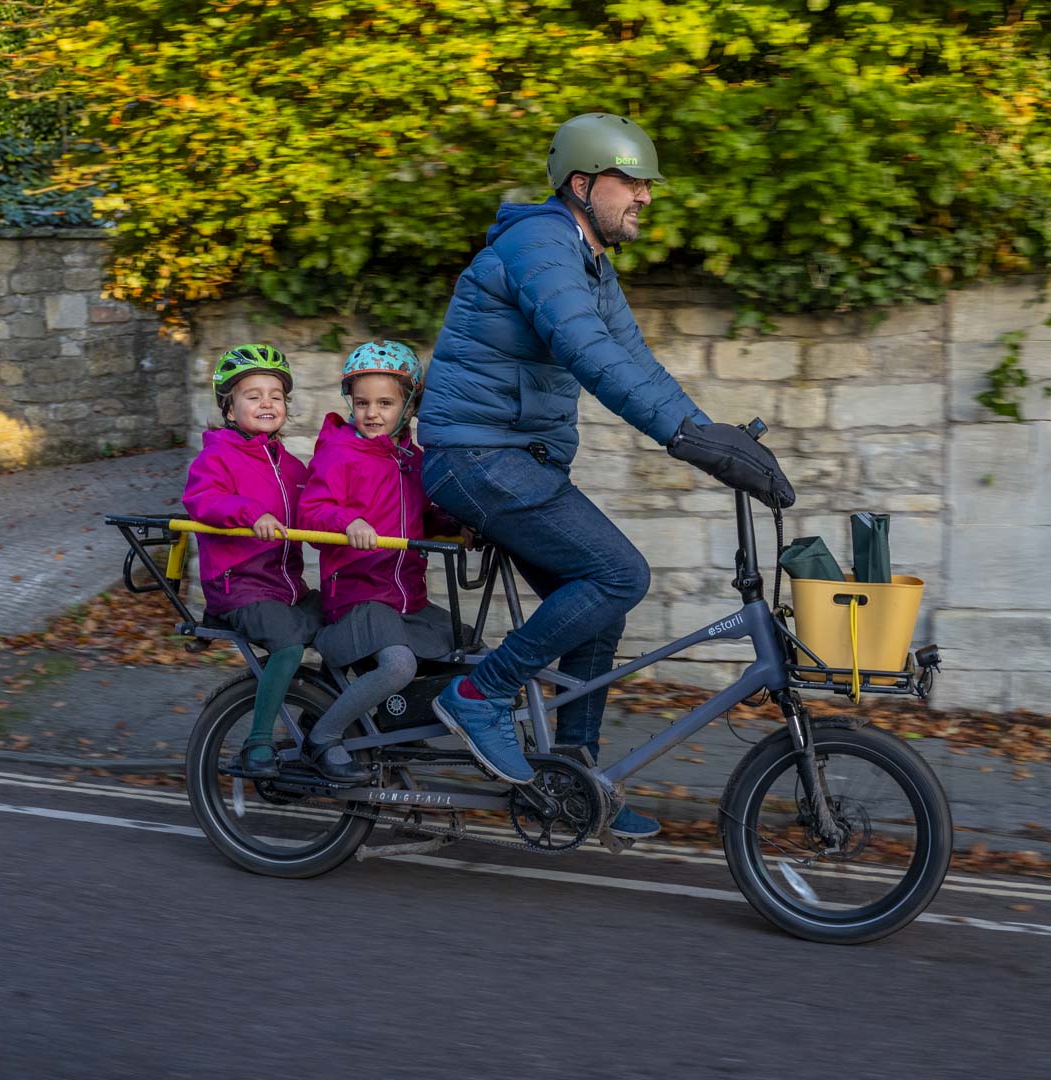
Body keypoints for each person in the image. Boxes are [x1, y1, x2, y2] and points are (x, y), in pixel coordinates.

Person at [418, 112, 794, 838]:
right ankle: (479, 692)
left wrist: (713, 437)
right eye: (632, 183)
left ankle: (573, 780)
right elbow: (586, 350)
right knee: (620, 574)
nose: (646, 198)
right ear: (583, 184)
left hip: (515, 463)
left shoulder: (590, 261)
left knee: (600, 599)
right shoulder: (539, 246)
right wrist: (683, 438)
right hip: (475, 458)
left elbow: (634, 361)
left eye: (648, 186)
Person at [297, 340, 463, 783]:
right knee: (398, 665)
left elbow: (426, 513)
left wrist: (459, 524)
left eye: (385, 403)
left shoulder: (413, 460)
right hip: (357, 597)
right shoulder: (340, 452)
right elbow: (310, 509)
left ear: (408, 406)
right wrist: (346, 519)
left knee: (465, 650)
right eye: (362, 402)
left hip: (406, 597)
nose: (372, 412)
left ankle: (396, 726)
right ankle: (323, 737)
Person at [182, 344, 322, 780]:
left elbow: (319, 504)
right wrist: (249, 513)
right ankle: (258, 740)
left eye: (276, 395)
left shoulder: (293, 467)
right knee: (288, 642)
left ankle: (322, 724)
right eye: (253, 394)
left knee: (345, 619)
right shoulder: (216, 456)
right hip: (239, 585)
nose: (267, 402)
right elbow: (202, 500)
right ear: (229, 408)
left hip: (286, 588)